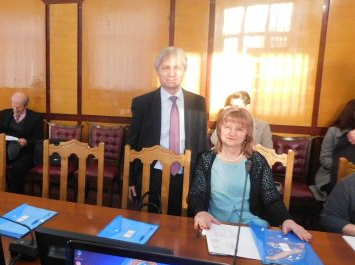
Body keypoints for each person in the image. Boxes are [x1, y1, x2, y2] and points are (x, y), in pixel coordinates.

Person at [189, 106, 312, 241]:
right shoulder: (205, 159)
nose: (232, 133)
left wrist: (286, 219)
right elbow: (196, 194)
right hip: (215, 225)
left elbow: (271, 197)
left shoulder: (257, 161)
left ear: (247, 134)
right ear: (219, 130)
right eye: (228, 127)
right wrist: (200, 211)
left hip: (249, 225)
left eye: (239, 129)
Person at [128, 46, 208, 216]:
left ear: (184, 70)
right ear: (157, 71)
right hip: (151, 174)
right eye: (165, 67)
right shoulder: (142, 103)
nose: (171, 73)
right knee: (150, 221)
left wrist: (202, 181)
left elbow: (202, 145)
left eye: (177, 67)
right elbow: (131, 144)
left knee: (182, 223)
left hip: (187, 176)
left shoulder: (198, 103)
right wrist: (130, 179)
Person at [0, 92, 43, 194]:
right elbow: (0, 133)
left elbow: (39, 139)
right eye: (13, 106)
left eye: (19, 107)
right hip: (6, 148)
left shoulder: (35, 117)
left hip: (26, 151)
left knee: (18, 168)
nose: (15, 109)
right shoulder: (5, 113)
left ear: (25, 105)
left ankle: (15, 196)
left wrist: (26, 142)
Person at [310, 99, 355, 201]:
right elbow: (324, 158)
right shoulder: (334, 131)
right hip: (330, 176)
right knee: (347, 188)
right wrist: (341, 169)